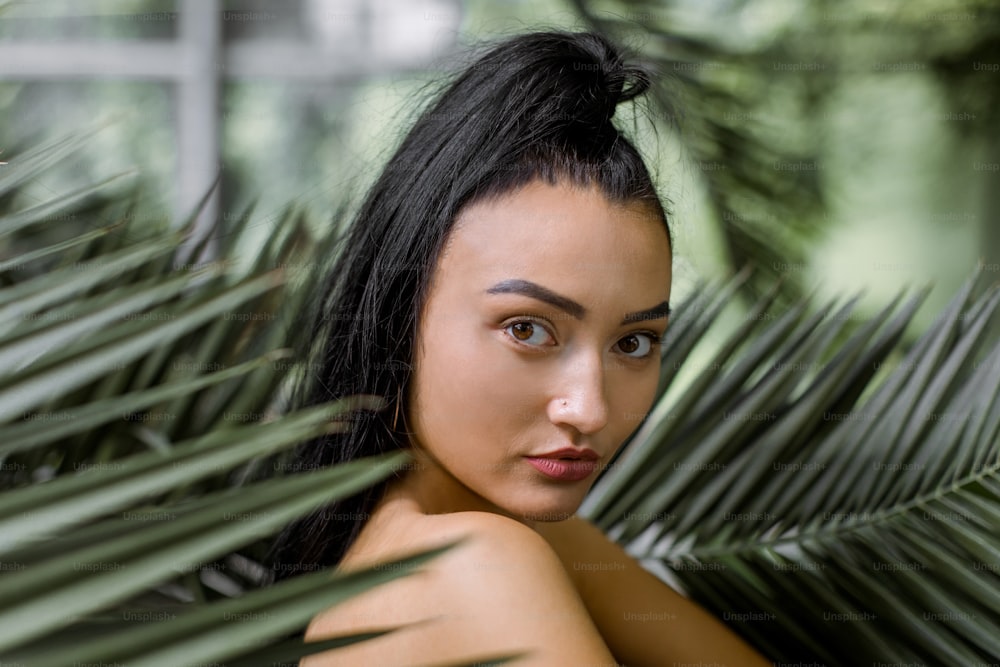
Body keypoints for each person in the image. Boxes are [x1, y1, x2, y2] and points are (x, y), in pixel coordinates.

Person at [268, 30, 772, 667]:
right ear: (400, 313)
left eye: (635, 341)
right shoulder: (473, 564)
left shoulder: (489, 544)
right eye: (528, 329)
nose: (589, 410)